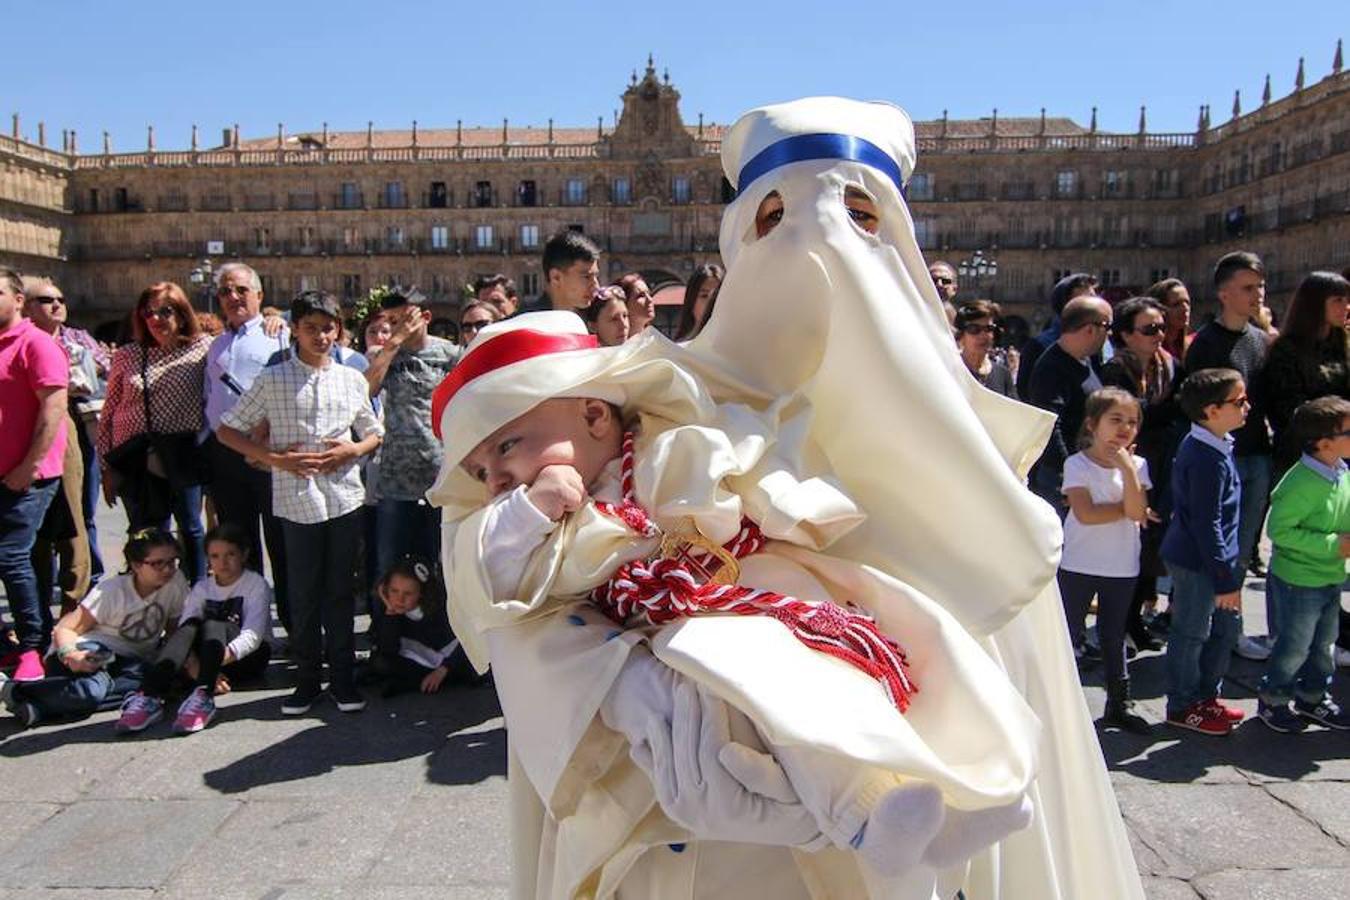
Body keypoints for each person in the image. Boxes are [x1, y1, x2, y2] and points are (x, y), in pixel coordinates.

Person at [676, 96, 1141, 899]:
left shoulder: (984, 487)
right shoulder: (674, 421)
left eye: (858, 216)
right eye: (779, 217)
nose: (819, 243)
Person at [431, 313, 1039, 895]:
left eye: (509, 446)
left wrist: (737, 518)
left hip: (731, 601)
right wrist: (527, 509)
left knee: (838, 680)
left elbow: (741, 482)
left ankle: (954, 789)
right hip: (653, 647)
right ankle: (859, 820)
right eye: (480, 471)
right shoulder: (521, 515)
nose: (496, 481)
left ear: (595, 415)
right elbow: (490, 574)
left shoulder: (667, 445)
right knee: (711, 770)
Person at [217, 291, 382, 716]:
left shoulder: (351, 379)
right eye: (311, 327)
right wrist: (274, 459)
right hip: (295, 498)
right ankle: (308, 679)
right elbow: (228, 429)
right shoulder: (274, 379)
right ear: (295, 330)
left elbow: (374, 431)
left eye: (328, 327)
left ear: (339, 330)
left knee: (340, 590)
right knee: (303, 590)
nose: (320, 336)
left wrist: (352, 450)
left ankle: (343, 678)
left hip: (344, 496)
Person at [1183, 251, 1274, 657]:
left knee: (1243, 546)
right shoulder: (1205, 344)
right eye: (1248, 288)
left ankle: (1228, 631)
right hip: (1220, 455)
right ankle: (1201, 628)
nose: (1258, 295)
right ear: (1224, 294)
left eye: (1260, 287)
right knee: (1215, 543)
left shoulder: (1259, 341)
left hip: (1256, 452)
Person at [6, 528, 187, 728]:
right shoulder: (111, 591)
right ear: (136, 565)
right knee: (93, 689)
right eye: (157, 563)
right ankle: (14, 691)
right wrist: (71, 654)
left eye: (172, 561)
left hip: (129, 663)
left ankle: (40, 706)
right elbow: (65, 628)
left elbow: (174, 631)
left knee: (158, 684)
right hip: (88, 650)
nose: (168, 569)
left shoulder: (175, 582)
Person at [97, 282, 210, 583]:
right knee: (145, 530)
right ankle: (148, 596)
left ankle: (194, 595)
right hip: (134, 455)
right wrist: (106, 467)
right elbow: (108, 412)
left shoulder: (202, 349)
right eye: (148, 313)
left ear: (183, 314)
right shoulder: (128, 355)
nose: (156, 319)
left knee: (191, 526)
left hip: (181, 450)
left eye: (165, 311)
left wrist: (272, 324)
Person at [114, 522, 273, 734]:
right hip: (206, 662)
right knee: (191, 625)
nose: (222, 562)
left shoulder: (255, 584)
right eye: (215, 556)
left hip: (244, 658)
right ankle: (148, 697)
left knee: (213, 623)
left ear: (244, 555)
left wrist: (211, 665)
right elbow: (184, 630)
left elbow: (252, 636)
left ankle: (204, 696)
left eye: (230, 555)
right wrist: (194, 665)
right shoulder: (202, 587)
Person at [1058, 387, 1153, 732]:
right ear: (1092, 424)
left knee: (1114, 634)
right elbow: (1086, 514)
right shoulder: (1077, 464)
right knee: (1067, 631)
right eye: (1116, 420)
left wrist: (1127, 471)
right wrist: (1127, 510)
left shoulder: (1137, 465)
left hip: (1121, 565)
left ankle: (1118, 702)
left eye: (1132, 421)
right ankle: (1058, 700)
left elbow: (1137, 510)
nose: (1125, 428)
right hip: (1079, 563)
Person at [1160, 368, 1249, 736]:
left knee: (1224, 630)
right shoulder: (1204, 456)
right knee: (1192, 632)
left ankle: (1205, 697)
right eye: (1239, 401)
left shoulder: (1216, 444)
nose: (1247, 407)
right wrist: (1223, 576)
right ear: (1212, 410)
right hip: (1200, 562)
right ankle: (1182, 705)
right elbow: (1205, 523)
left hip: (1215, 560)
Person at [1254, 396, 1350, 732]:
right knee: (1294, 646)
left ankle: (1312, 697)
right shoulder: (1298, 484)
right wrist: (1334, 544)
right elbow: (1279, 531)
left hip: (1328, 576)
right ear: (1324, 443)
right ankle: (1273, 699)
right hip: (1299, 579)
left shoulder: (1341, 472)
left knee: (1324, 643)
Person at [1100, 296, 1182, 651]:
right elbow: (1130, 415)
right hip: (1129, 464)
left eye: (1162, 327)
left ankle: (1134, 621)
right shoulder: (1116, 370)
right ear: (1126, 335)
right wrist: (1164, 412)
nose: (1158, 334)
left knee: (1149, 546)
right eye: (1149, 329)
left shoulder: (1171, 367)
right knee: (1128, 546)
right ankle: (1120, 624)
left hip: (1163, 464)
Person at [362, 286, 460, 578]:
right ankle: (384, 623)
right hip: (395, 478)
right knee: (388, 561)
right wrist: (394, 343)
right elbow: (367, 389)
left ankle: (439, 624)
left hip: (439, 475)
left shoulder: (449, 354)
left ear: (425, 317)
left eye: (403, 320)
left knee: (442, 562)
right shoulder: (386, 354)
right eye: (391, 321)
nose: (396, 327)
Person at [0, 268, 69, 682]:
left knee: (11, 557)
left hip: (29, 476)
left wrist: (28, 466)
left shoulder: (36, 344)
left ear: (18, 299)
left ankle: (32, 645)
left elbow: (53, 408)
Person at [21, 276, 109, 585]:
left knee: (81, 512)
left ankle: (87, 584)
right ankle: (41, 589)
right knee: (38, 520)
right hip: (34, 432)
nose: (56, 304)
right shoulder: (21, 341)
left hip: (81, 430)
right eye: (46, 300)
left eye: (60, 299)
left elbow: (104, 368)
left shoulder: (79, 337)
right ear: (25, 306)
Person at [1026, 294, 1112, 515]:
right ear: (1090, 329)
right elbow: (1051, 427)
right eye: (1108, 326)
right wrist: (1071, 476)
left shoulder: (1085, 360)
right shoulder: (1052, 368)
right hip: (1062, 478)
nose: (1110, 333)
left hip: (1083, 469)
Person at [1262, 271, 1350, 477]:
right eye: (1338, 300)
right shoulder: (1286, 349)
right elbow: (1287, 407)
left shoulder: (1342, 346)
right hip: (1305, 455)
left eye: (1347, 301)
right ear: (1316, 305)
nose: (1346, 307)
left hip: (1343, 451)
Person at [369, 555, 473, 697]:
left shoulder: (441, 610)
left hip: (450, 660)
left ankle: (434, 680)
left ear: (421, 594)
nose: (399, 599)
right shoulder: (388, 609)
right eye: (394, 591)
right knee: (380, 663)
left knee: (471, 666)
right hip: (418, 661)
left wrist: (444, 669)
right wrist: (390, 612)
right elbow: (388, 648)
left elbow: (467, 639)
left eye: (408, 593)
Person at [1015, 272, 1099, 399]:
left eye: (1094, 298)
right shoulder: (1039, 346)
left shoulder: (1095, 344)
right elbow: (1026, 395)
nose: (1095, 305)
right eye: (1085, 300)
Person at [953, 300, 1015, 397]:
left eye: (988, 329)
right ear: (961, 335)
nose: (983, 335)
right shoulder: (950, 371)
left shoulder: (1002, 375)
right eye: (974, 329)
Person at [535, 230, 600, 313]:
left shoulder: (586, 322)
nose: (596, 287)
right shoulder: (525, 323)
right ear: (556, 278)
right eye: (586, 277)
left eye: (596, 276)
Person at [1147, 277, 1194, 363]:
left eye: (1187, 303)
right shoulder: (1151, 349)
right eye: (1176, 305)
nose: (1185, 308)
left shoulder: (1193, 346)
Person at [675, 263, 723, 340]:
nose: (712, 302)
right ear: (692, 300)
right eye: (704, 296)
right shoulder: (678, 347)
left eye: (717, 296)